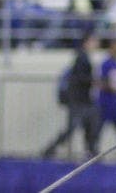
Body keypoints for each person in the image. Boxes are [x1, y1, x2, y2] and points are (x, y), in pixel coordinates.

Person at [43, 31, 100, 159]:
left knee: (89, 127)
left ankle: (91, 152)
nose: (96, 44)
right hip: (79, 101)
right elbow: (81, 79)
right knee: (72, 128)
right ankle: (49, 150)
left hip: (83, 100)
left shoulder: (83, 57)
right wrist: (94, 81)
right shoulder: (81, 58)